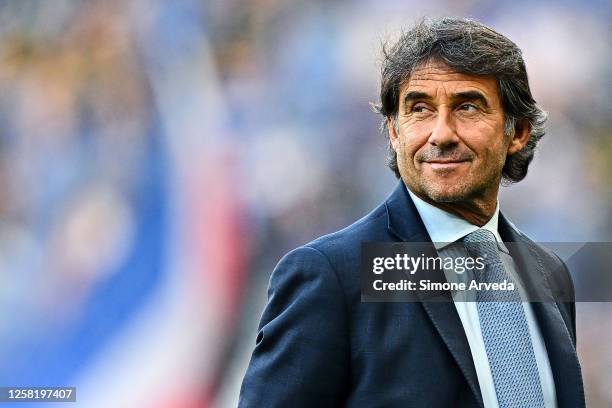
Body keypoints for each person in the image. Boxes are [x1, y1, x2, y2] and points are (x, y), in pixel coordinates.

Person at [238, 17, 584, 407]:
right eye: (419, 109)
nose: (441, 133)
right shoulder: (331, 275)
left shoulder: (549, 273)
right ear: (394, 131)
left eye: (467, 107)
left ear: (517, 132)